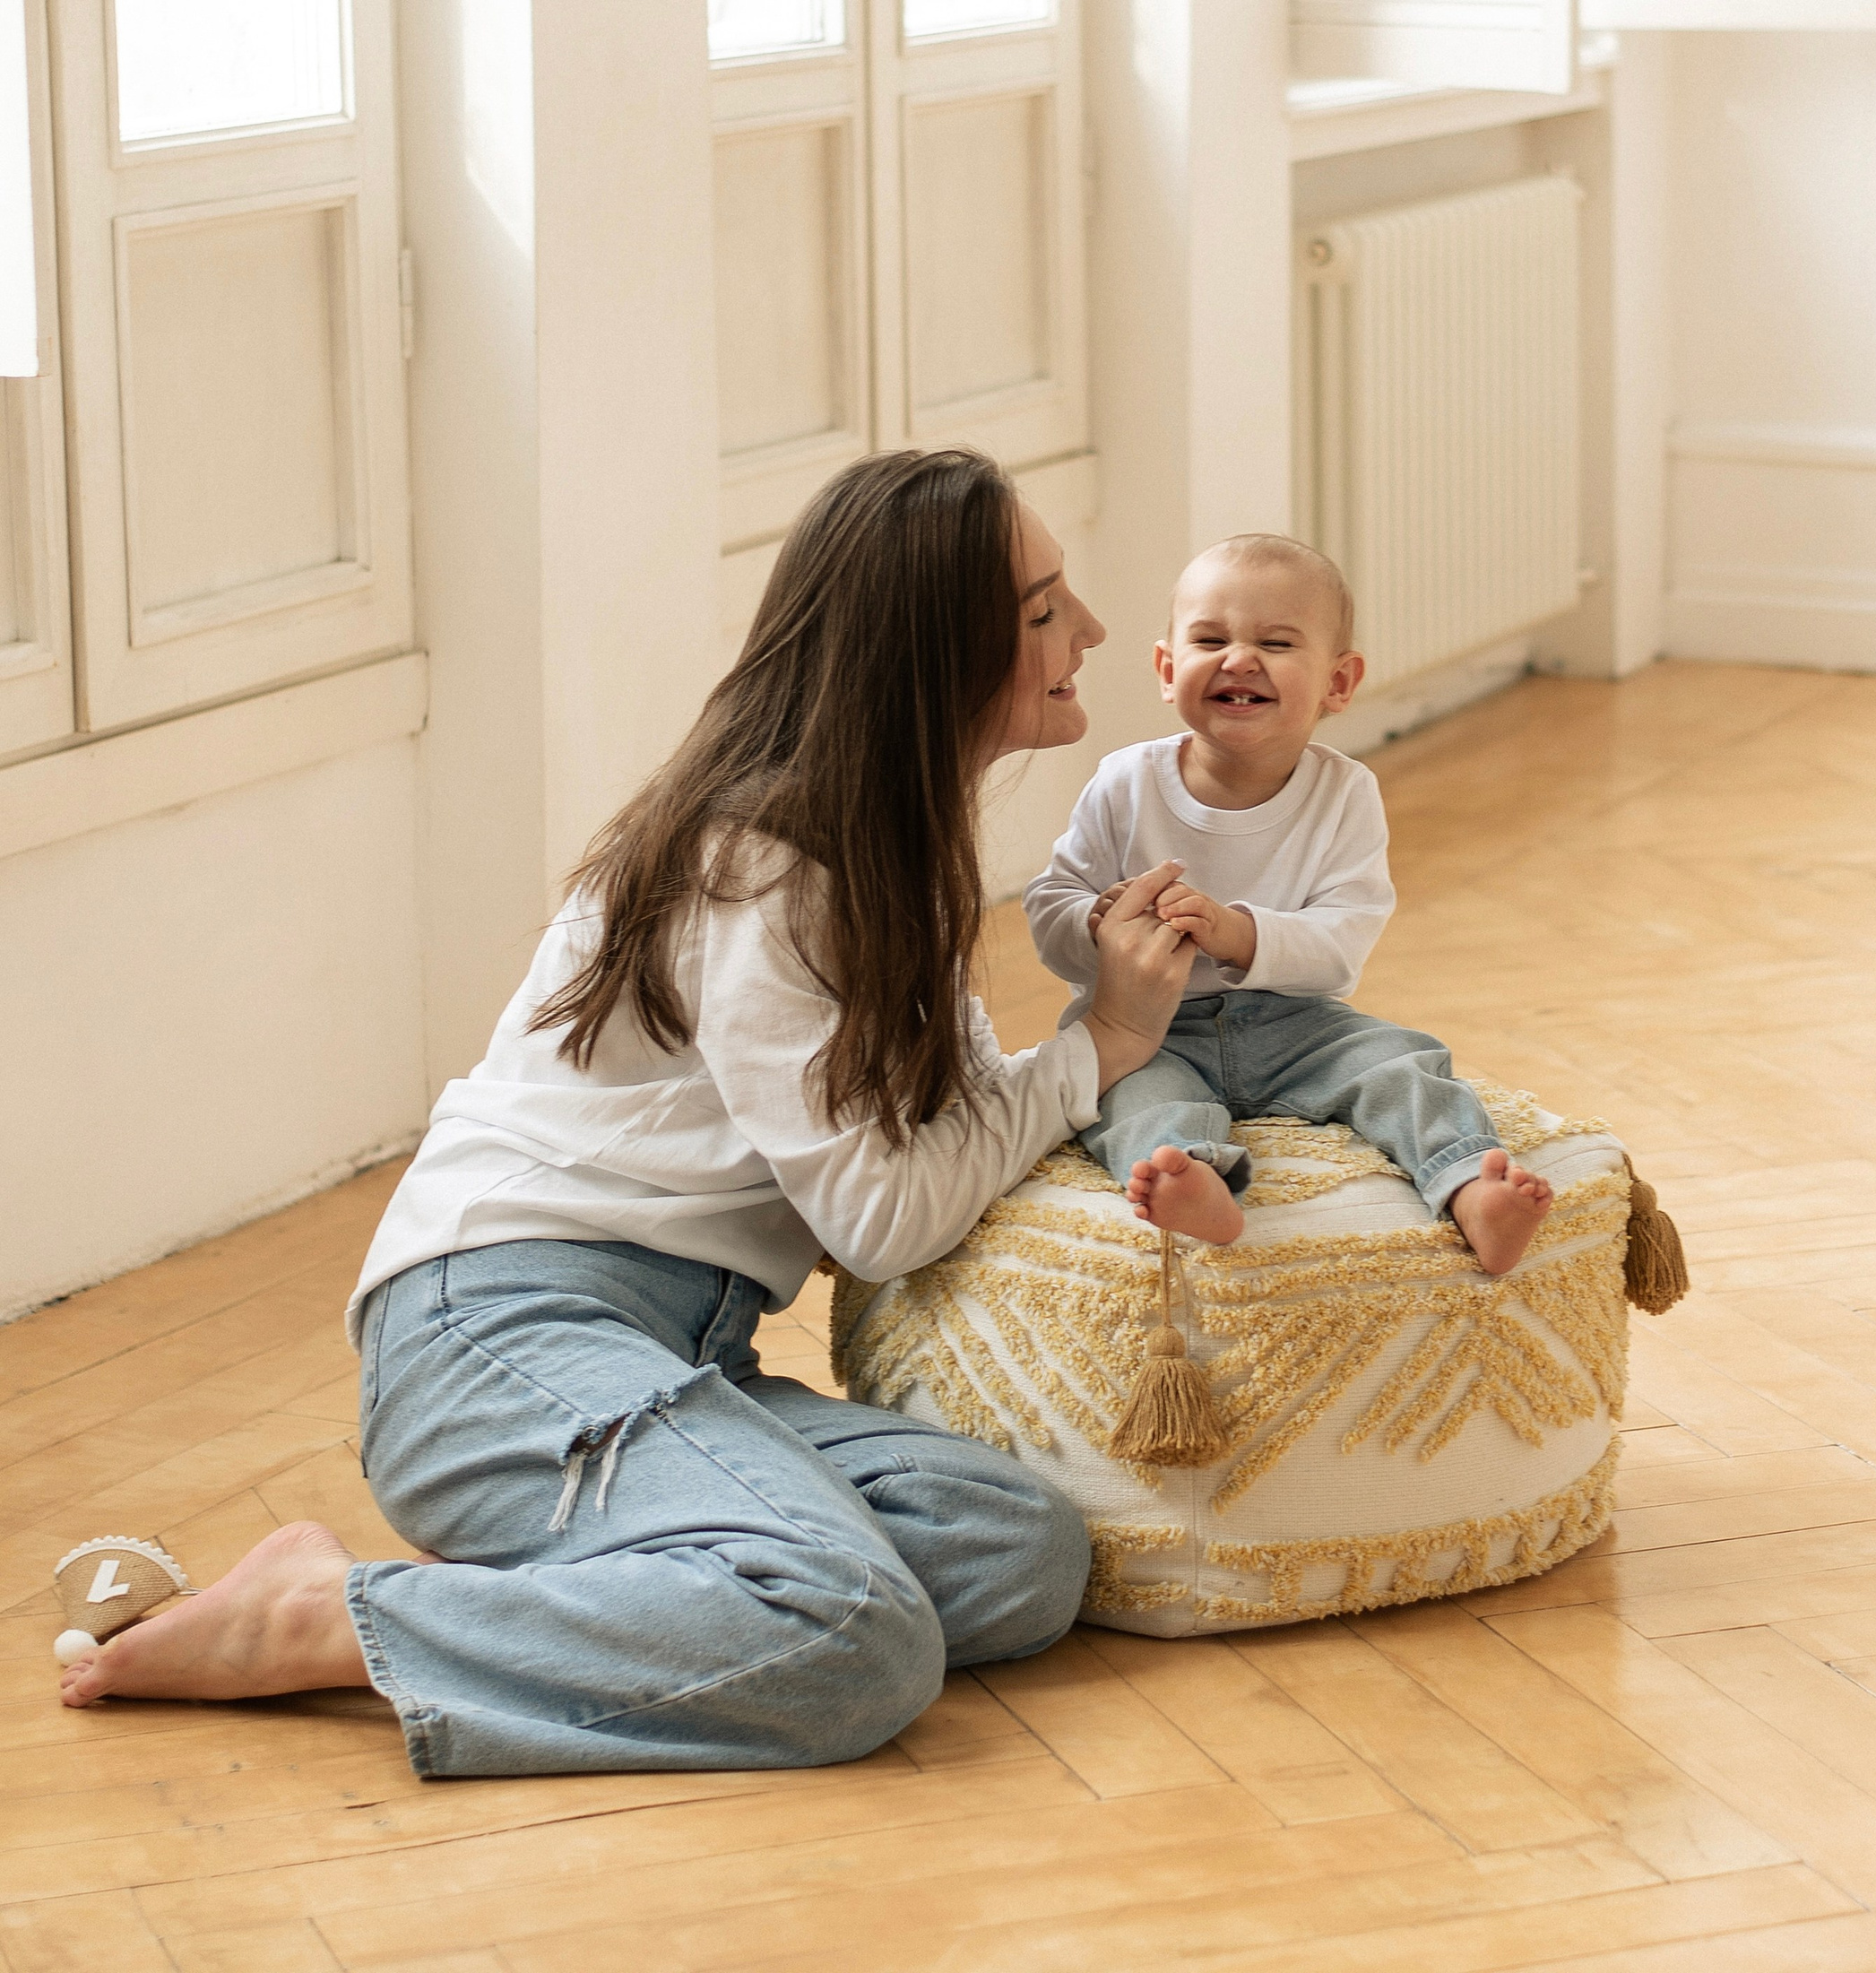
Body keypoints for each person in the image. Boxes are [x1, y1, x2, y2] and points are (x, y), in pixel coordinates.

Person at [56, 452, 1199, 1778]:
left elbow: (919, 1159)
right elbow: (884, 1221)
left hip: (680, 1347)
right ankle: (325, 1618)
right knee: (858, 1637)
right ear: (932, 649)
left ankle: (633, 1573)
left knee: (1017, 1554)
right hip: (494, 1336)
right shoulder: (763, 873)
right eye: (1044, 605)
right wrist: (1104, 1041)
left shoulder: (876, 854)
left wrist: (1084, 1053)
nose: (1092, 632)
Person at [1026, 533, 1552, 1276]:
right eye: (1211, 639)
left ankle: (1467, 1182)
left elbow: (1342, 942)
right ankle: (1192, 1179)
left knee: (1399, 1061)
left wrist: (1237, 932)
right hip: (1145, 1026)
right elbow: (1051, 903)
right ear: (1168, 669)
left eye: (1274, 642)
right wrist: (1095, 923)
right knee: (1126, 1097)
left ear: (1339, 682)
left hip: (1297, 1022)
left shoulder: (1345, 794)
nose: (1239, 659)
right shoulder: (1124, 782)